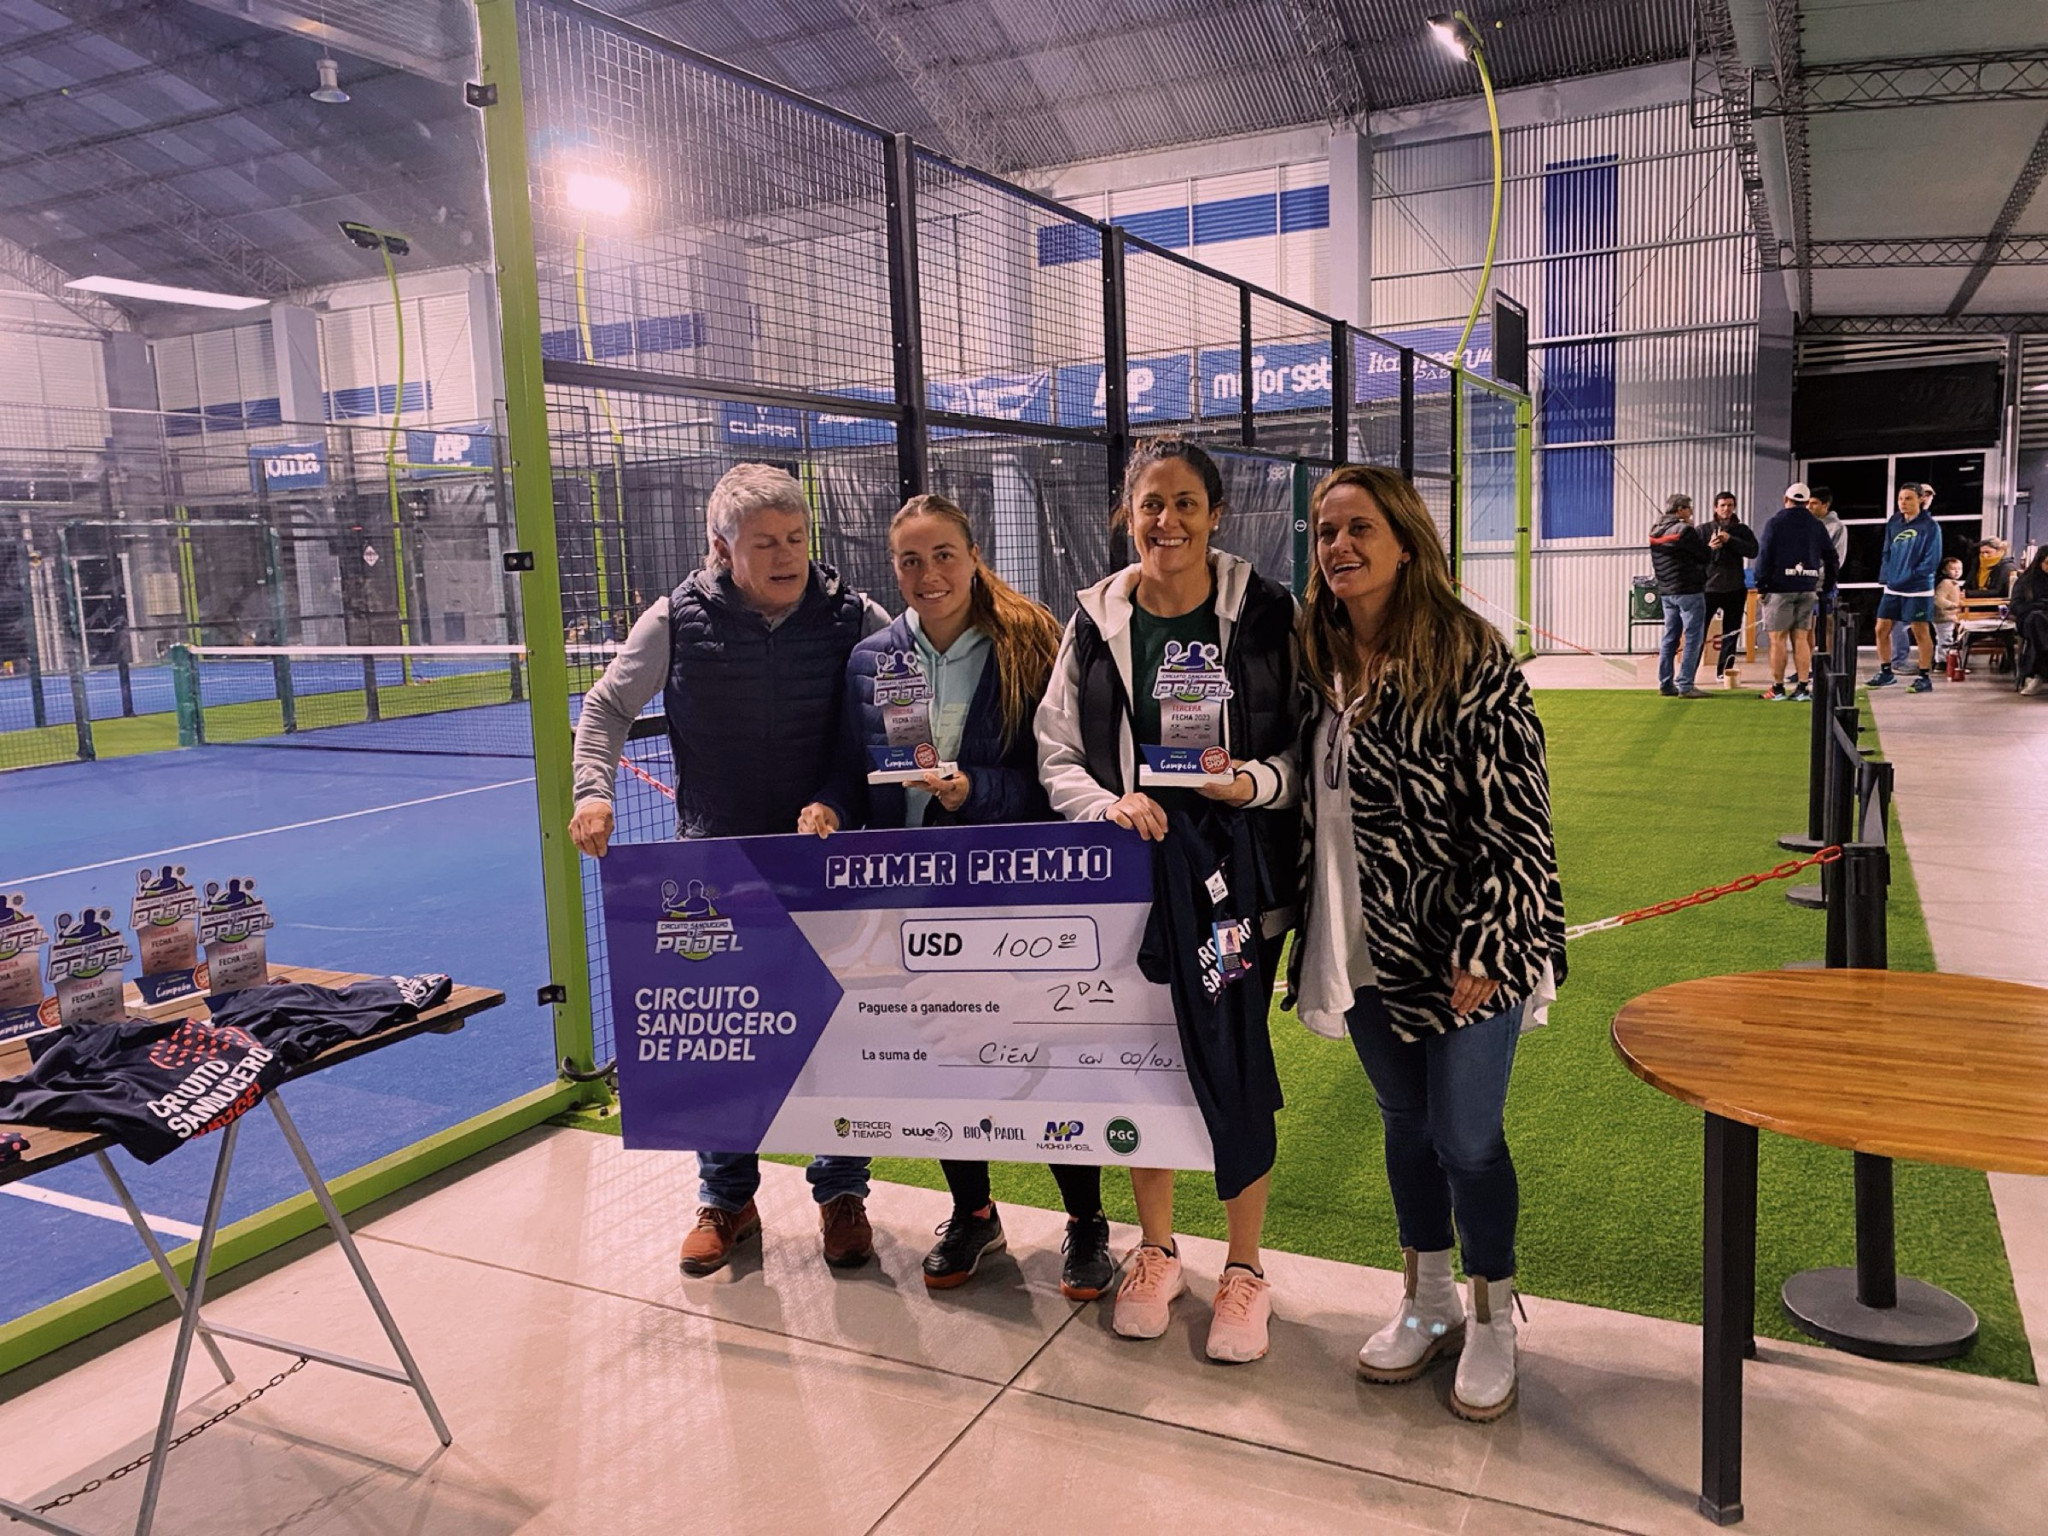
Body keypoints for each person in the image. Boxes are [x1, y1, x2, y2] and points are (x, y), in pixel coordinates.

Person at [568, 462, 890, 1277]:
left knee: (833, 1031)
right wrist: (593, 792)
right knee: (717, 1037)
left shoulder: (856, 615)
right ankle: (726, 1199)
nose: (787, 556)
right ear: (721, 549)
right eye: (765, 543)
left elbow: (905, 697)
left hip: (826, 862)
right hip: (711, 868)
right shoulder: (674, 618)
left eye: (796, 538)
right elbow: (606, 706)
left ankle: (841, 1194)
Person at [1291, 464, 1564, 1422]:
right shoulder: (1314, 653)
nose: (1340, 547)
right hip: (1358, 940)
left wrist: (1489, 943)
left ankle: (1493, 1316)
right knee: (1404, 1125)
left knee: (1467, 1138)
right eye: (1326, 531)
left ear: (1406, 541)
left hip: (1464, 947)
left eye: (1360, 528)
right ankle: (1430, 1300)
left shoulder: (1467, 653)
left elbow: (1519, 816)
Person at [809, 493, 1117, 1301]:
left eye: (943, 554)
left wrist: (971, 790)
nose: (928, 573)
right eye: (910, 560)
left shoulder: (1030, 641)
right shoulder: (871, 658)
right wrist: (828, 807)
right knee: (944, 1055)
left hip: (1013, 895)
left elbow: (1057, 778)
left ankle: (1086, 1221)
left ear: (974, 556)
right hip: (912, 899)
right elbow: (850, 768)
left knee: (1043, 1057)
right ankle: (974, 1212)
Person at [1037, 435, 1302, 1364]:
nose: (1168, 521)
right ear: (1129, 514)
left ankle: (1246, 1267)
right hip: (1132, 885)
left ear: (1216, 514)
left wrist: (1251, 784)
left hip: (1237, 885)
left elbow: (1305, 744)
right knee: (1144, 1062)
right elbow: (1056, 752)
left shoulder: (1268, 612)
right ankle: (1156, 1251)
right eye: (1151, 503)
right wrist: (1107, 804)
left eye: (1186, 503)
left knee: (1234, 1052)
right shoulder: (1092, 621)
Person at [1752, 482, 1839, 702]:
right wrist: (1826, 587)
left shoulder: (1775, 523)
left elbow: (1764, 555)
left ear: (1786, 499)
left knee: (1778, 639)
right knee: (1801, 638)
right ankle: (1802, 688)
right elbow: (1832, 557)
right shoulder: (1816, 525)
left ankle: (1778, 689)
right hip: (1808, 588)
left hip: (1779, 589)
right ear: (1807, 502)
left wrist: (1761, 585)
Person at [1868, 483, 1943, 694]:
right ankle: (1886, 672)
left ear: (1920, 499)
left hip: (1918, 588)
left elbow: (1932, 560)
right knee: (1881, 628)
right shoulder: (1894, 522)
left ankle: (1924, 677)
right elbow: (1887, 550)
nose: (1903, 503)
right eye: (1900, 498)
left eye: (1908, 498)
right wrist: (1887, 576)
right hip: (1893, 586)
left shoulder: (1930, 526)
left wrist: (1911, 576)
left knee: (1920, 630)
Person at [1648, 493, 1711, 697]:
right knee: (1693, 637)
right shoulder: (1684, 530)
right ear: (1680, 509)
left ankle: (1666, 683)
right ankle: (1685, 684)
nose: (1691, 511)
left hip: (1667, 592)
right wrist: (1712, 546)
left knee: (1670, 637)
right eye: (1689, 508)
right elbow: (1704, 555)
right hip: (1689, 590)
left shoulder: (1654, 531)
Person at [1702, 490, 1758, 679]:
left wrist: (1730, 540)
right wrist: (1710, 548)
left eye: (1730, 505)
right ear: (1715, 508)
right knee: (1698, 632)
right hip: (1708, 589)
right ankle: (1689, 673)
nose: (1726, 509)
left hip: (1735, 588)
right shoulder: (1703, 530)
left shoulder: (1742, 530)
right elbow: (1694, 557)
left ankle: (1724, 672)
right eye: (1722, 505)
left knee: (1731, 633)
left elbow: (1753, 551)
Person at [2012, 545, 2048, 696]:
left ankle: (2038, 675)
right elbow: (2016, 606)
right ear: (2040, 562)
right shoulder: (2026, 581)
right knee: (2037, 621)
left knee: (2040, 634)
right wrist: (2040, 604)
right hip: (2030, 618)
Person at [1933, 557, 1965, 661]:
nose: (1957, 571)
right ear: (1944, 571)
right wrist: (1953, 605)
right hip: (1943, 616)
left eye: (1959, 569)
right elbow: (1938, 599)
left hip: (1949, 616)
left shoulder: (1953, 583)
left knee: (1947, 638)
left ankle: (1946, 660)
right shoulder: (1946, 583)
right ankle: (1942, 661)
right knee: (1945, 639)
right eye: (1953, 569)